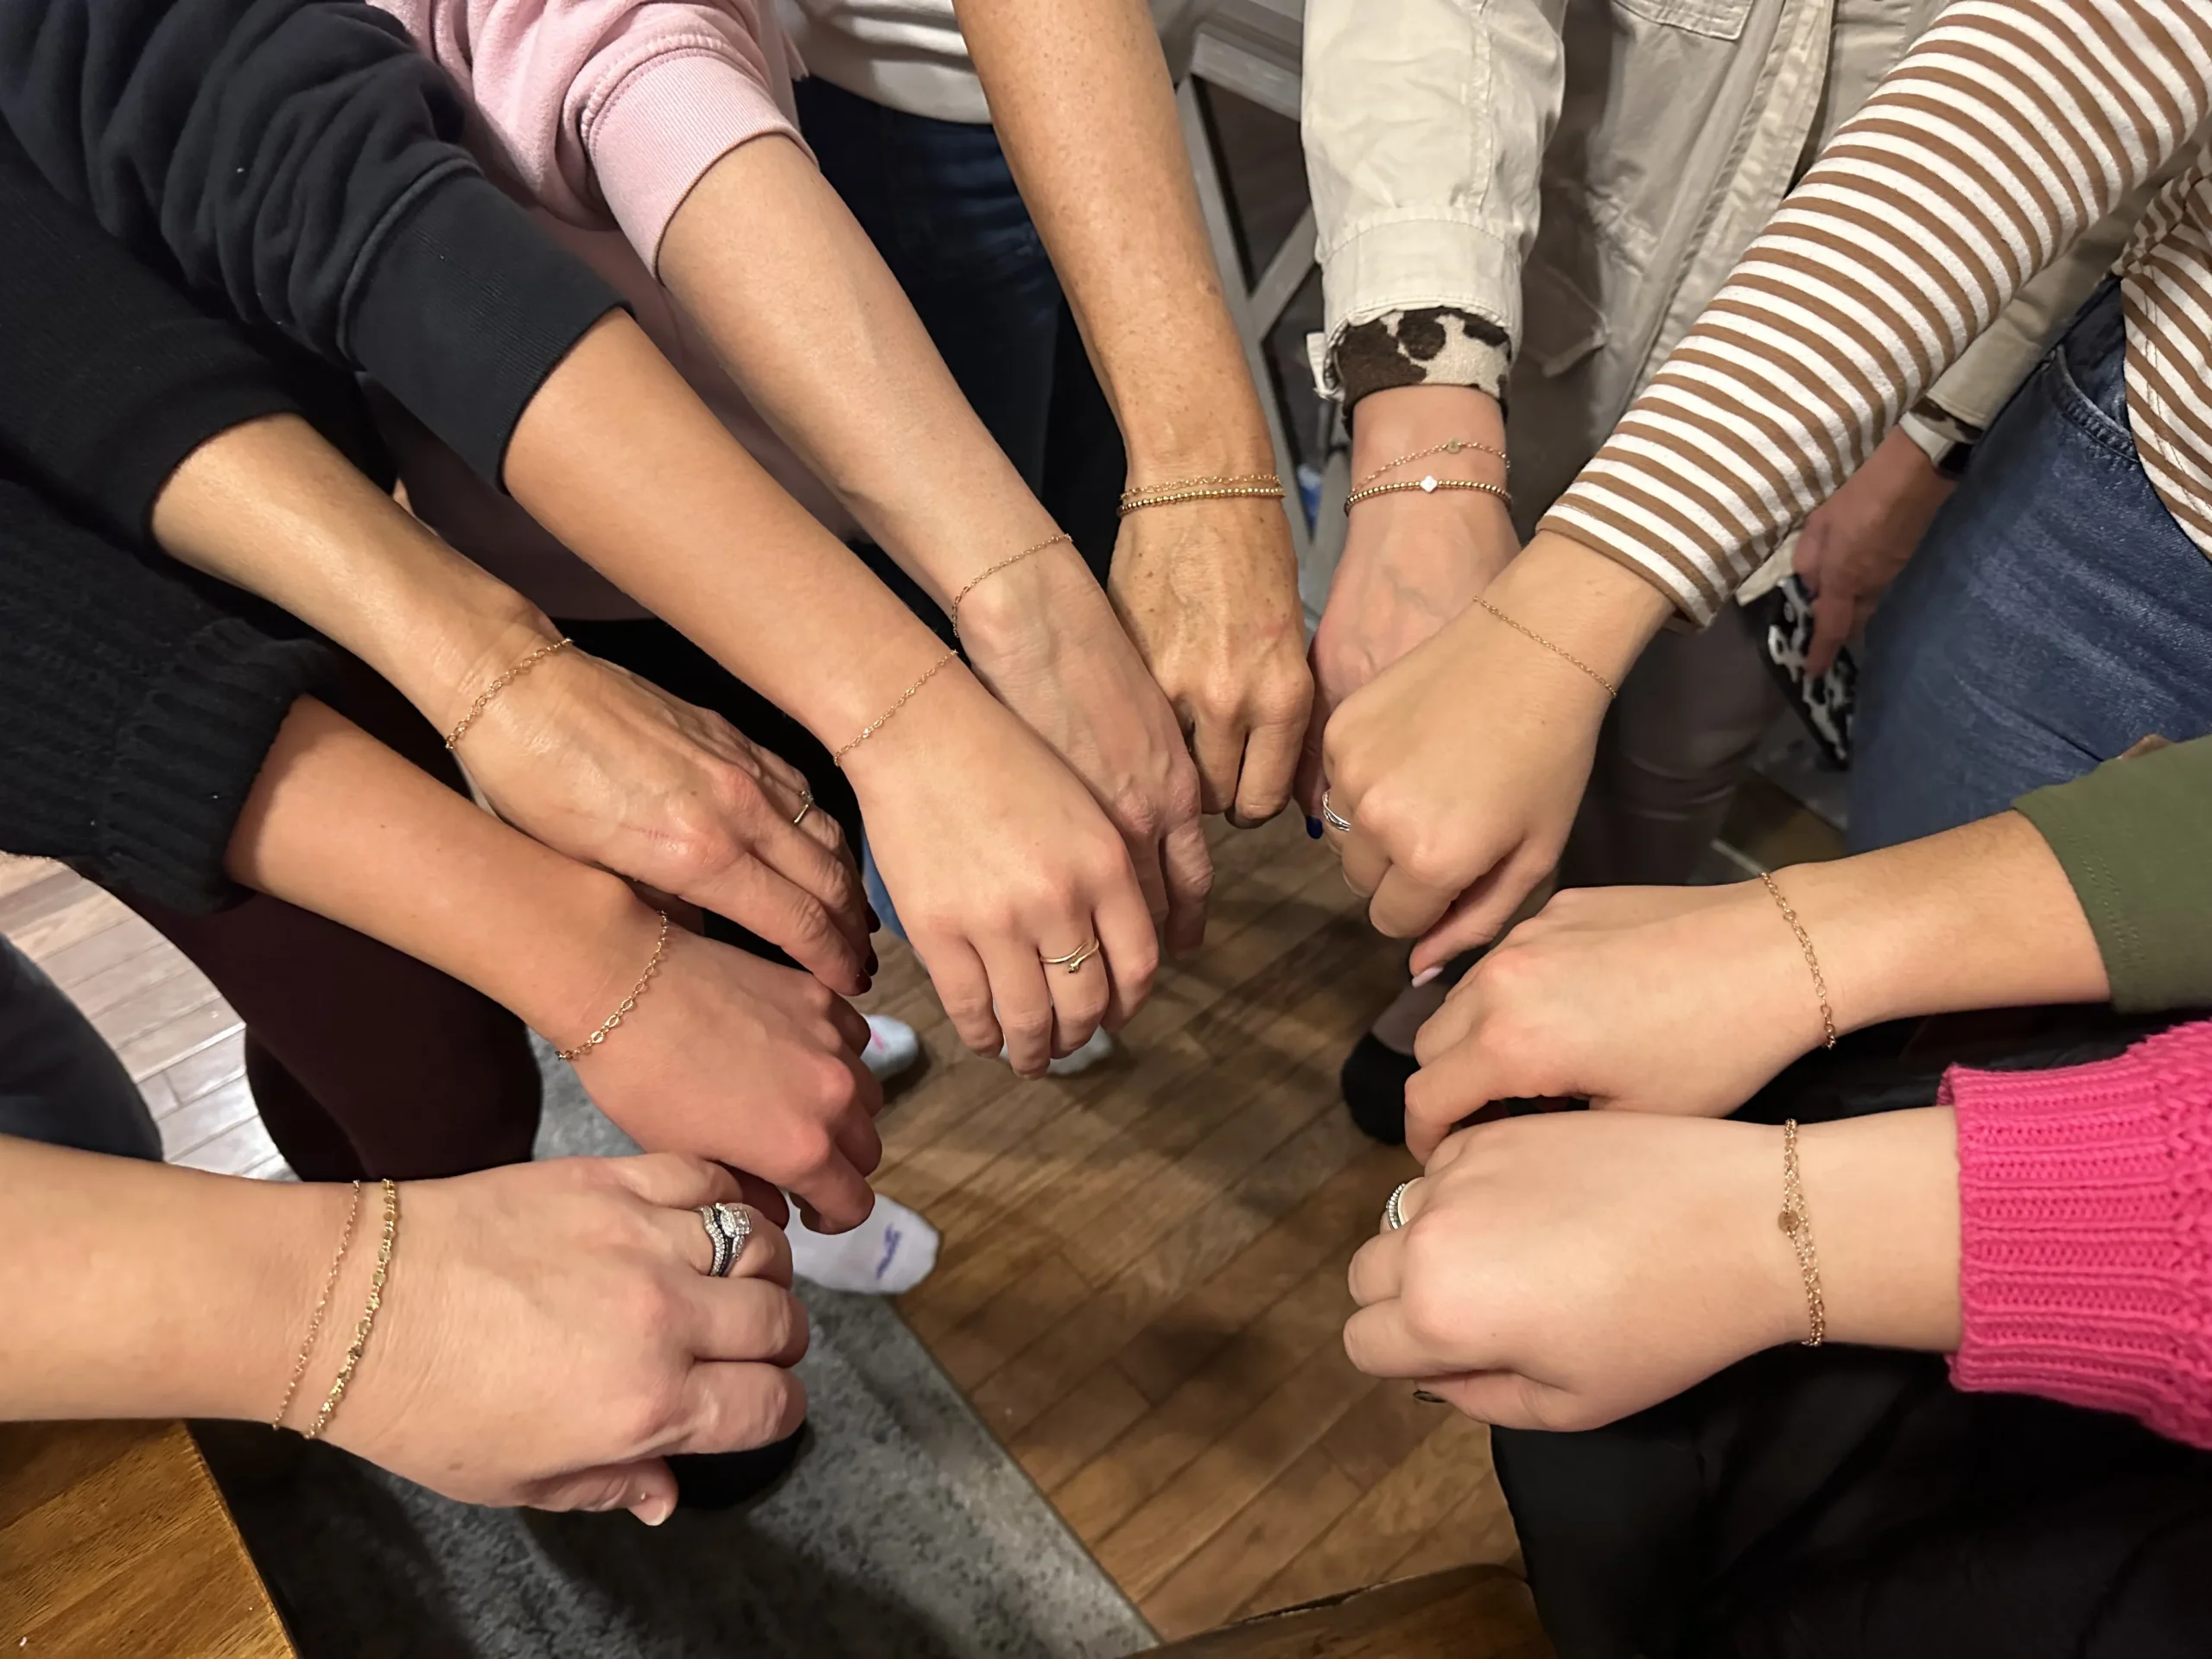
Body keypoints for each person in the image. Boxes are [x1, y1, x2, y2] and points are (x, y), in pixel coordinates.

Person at [0, 0, 1163, 1077]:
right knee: (451, 1044)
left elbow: (261, 140)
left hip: (399, 411)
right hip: (452, 502)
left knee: (741, 870)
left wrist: (939, 671)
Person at [1297, 0, 2168, 1140]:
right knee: (1454, 739)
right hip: (1562, 297)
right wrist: (1426, 450)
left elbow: (2090, 82)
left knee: (1681, 762)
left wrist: (1926, 437)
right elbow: (2085, 58)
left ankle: (1569, 1004)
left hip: (1925, 374)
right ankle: (1480, 978)